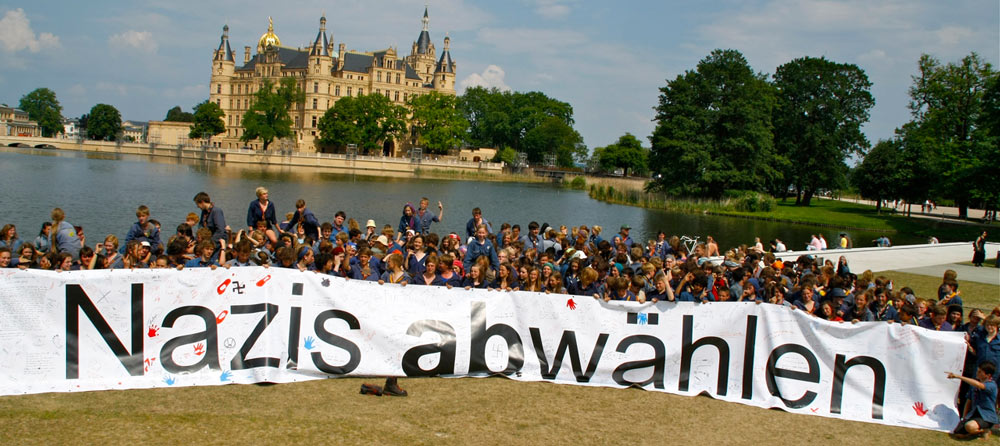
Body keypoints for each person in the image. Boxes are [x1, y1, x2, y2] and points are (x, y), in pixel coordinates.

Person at [947, 361, 997, 440]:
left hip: (986, 417)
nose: (977, 373)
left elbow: (979, 385)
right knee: (958, 433)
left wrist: (958, 376)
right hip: (973, 414)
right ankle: (976, 431)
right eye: (977, 371)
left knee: (969, 426)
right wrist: (964, 417)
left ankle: (985, 430)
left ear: (988, 375)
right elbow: (968, 401)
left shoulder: (991, 385)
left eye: (980, 372)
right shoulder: (974, 385)